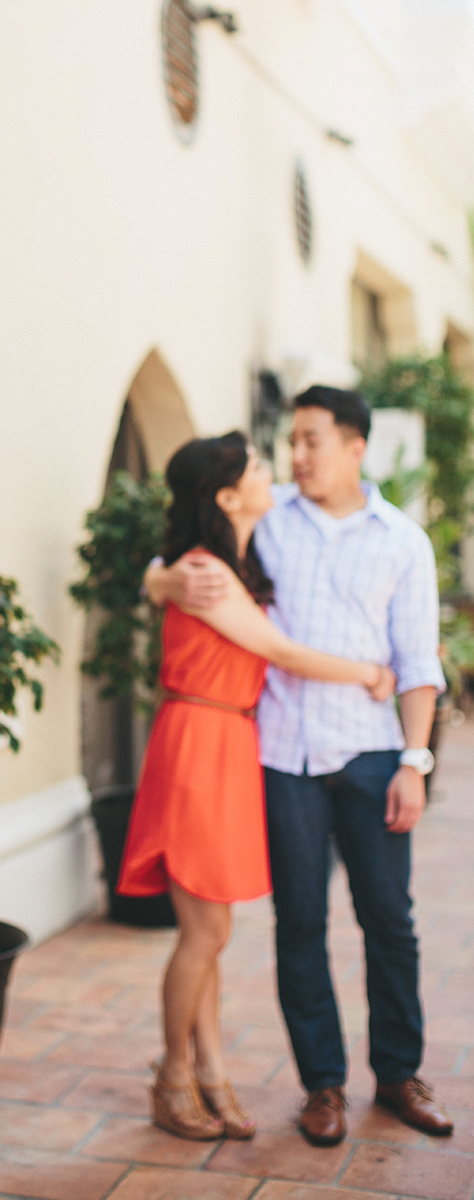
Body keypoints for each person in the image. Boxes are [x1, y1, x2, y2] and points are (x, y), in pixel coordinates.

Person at [147, 386, 453, 1146]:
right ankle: (323, 1086)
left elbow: (419, 661)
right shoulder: (269, 513)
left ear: (355, 447)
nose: (296, 456)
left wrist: (414, 761)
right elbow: (179, 555)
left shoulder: (404, 541)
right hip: (280, 758)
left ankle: (400, 1075)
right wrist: (161, 580)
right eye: (291, 442)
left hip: (371, 752)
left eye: (312, 440)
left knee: (389, 920)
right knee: (300, 924)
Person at [120, 432, 394, 1141]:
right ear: (226, 495)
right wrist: (370, 673)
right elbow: (279, 650)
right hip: (199, 742)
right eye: (260, 466)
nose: (275, 471)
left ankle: (210, 1073)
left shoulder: (233, 555)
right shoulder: (205, 568)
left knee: (209, 931)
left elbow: (161, 572)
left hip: (228, 740)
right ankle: (173, 1074)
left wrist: (157, 578)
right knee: (206, 931)